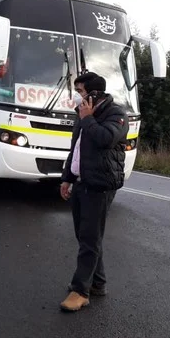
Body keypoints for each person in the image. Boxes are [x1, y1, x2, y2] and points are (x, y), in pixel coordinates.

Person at [59, 72, 129, 312]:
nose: (77, 97)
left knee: (89, 238)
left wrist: (88, 118)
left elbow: (106, 138)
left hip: (99, 184)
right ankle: (98, 283)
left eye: (80, 92)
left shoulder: (116, 114)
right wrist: (67, 178)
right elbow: (75, 149)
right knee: (85, 236)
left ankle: (80, 290)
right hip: (80, 182)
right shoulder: (82, 115)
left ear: (95, 93)